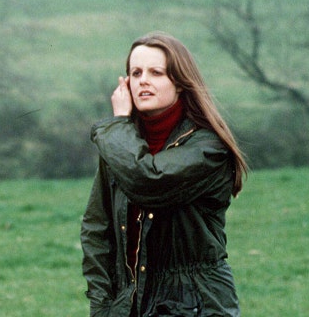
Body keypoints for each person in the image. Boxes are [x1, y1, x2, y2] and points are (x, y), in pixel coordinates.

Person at [81, 32, 248, 317]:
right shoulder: (120, 146)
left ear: (180, 82)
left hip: (196, 305)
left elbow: (149, 181)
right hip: (131, 305)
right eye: (136, 72)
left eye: (156, 72)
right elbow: (97, 229)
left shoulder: (208, 147)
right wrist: (101, 307)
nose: (143, 80)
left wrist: (118, 125)